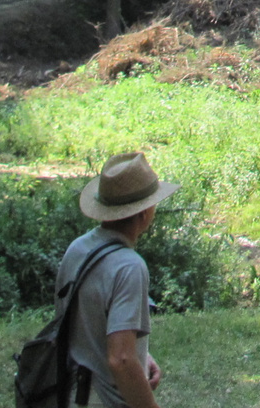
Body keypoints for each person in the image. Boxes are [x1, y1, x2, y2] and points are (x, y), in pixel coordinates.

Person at [57, 150, 179, 408]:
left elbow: (83, 329)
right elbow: (121, 360)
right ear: (144, 213)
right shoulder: (129, 267)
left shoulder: (78, 249)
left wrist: (140, 354)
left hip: (70, 396)